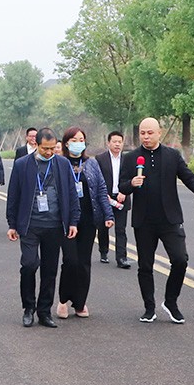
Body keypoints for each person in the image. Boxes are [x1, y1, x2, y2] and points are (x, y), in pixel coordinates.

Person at [119, 117, 194, 324]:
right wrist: (131, 183)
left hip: (170, 219)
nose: (146, 137)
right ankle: (149, 308)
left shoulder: (172, 155)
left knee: (180, 260)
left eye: (150, 132)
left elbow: (187, 175)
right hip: (144, 221)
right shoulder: (131, 158)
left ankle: (171, 302)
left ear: (159, 133)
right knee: (145, 266)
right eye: (142, 133)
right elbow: (122, 186)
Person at [6, 128, 80, 329]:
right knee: (29, 265)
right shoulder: (22, 165)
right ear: (36, 145)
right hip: (30, 225)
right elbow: (13, 195)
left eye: (52, 148)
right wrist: (12, 224)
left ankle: (44, 311)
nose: (49, 152)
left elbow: (72, 194)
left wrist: (73, 221)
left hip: (54, 225)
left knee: (50, 270)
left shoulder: (62, 164)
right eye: (45, 148)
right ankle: (28, 308)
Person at [55, 127, 114, 320]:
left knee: (83, 263)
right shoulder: (59, 163)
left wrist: (108, 214)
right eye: (74, 140)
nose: (78, 143)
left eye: (81, 139)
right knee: (70, 261)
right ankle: (63, 300)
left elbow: (101, 189)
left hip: (88, 220)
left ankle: (80, 303)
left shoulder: (92, 163)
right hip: (66, 221)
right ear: (66, 143)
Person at [95, 131, 131, 268]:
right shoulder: (100, 159)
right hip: (105, 198)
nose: (117, 144)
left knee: (121, 229)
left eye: (120, 142)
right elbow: (97, 179)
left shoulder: (128, 159)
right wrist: (103, 194)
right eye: (114, 142)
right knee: (103, 227)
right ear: (108, 143)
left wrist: (125, 191)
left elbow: (131, 178)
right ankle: (103, 251)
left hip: (122, 197)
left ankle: (121, 258)